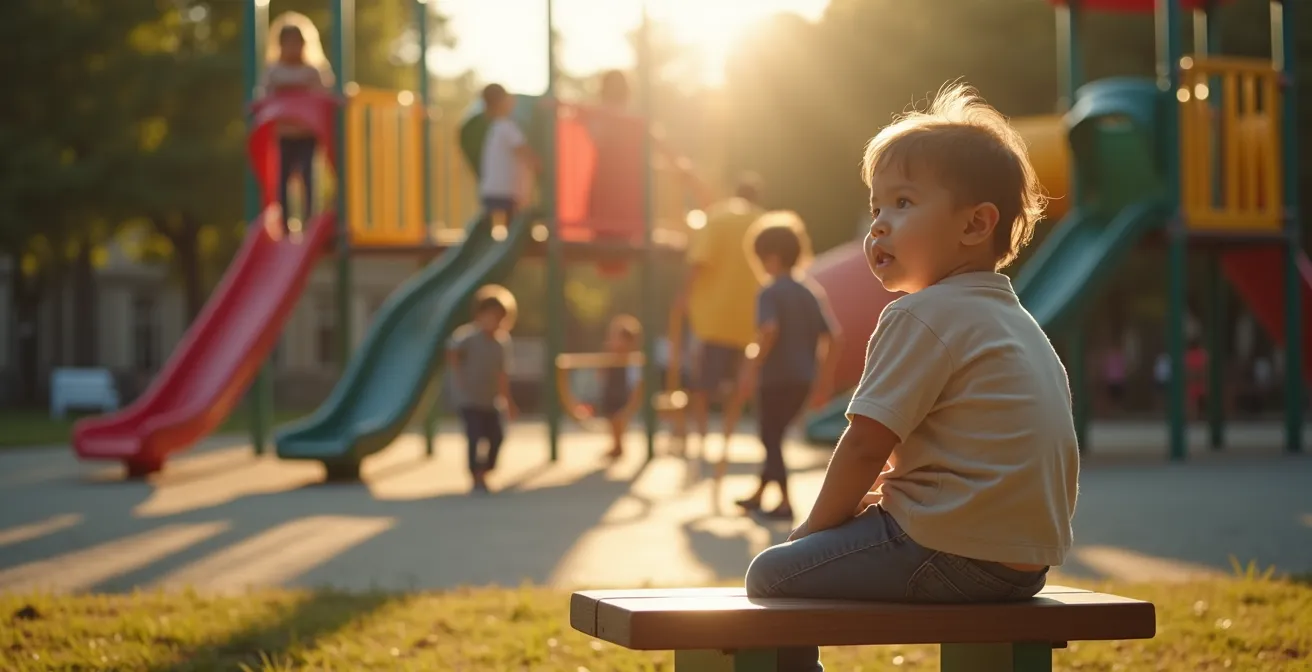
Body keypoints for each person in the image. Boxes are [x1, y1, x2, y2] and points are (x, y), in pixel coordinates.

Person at [742, 83, 1075, 672]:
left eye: (902, 203)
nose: (878, 227)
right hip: (1023, 566)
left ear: (975, 225)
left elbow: (867, 441)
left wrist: (814, 531)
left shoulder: (921, 313)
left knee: (774, 574)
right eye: (875, 208)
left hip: (951, 549)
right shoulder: (1016, 320)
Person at [731, 213, 841, 520]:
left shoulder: (769, 291)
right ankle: (760, 493)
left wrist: (751, 367)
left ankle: (784, 503)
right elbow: (834, 337)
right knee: (775, 435)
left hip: (776, 378)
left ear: (771, 257)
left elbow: (768, 330)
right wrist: (824, 382)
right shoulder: (809, 291)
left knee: (770, 436)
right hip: (803, 378)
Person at [674, 174, 767, 454]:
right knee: (739, 383)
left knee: (702, 384)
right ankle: (728, 434)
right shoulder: (765, 222)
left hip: (712, 320)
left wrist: (684, 297)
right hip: (751, 320)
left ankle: (700, 436)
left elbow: (699, 262)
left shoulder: (718, 217)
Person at [259, 13, 335, 238]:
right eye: (288, 43)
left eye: (297, 43)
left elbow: (325, 94)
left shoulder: (312, 71)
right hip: (284, 135)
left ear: (305, 45)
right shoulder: (274, 71)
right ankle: (284, 224)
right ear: (279, 45)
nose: (293, 48)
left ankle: (310, 221)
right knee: (282, 180)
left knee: (307, 176)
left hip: (307, 134)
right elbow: (264, 96)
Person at [447, 286, 519, 493]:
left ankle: (486, 470)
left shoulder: (501, 343)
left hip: (490, 400)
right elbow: (452, 350)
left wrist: (508, 402)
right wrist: (459, 378)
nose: (493, 322)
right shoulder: (468, 337)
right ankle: (475, 475)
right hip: (469, 399)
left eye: (498, 318)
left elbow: (502, 375)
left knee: (497, 436)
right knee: (475, 435)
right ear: (479, 316)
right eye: (489, 316)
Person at [576, 314, 644, 460]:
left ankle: (619, 445)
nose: (614, 341)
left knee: (619, 419)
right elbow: (601, 374)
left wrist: (632, 403)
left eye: (617, 338)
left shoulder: (632, 359)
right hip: (610, 393)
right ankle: (616, 445)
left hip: (622, 394)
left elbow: (636, 383)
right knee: (611, 419)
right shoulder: (609, 357)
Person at [478, 84, 538, 225]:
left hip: (491, 190)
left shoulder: (495, 127)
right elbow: (521, 149)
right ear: (502, 102)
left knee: (494, 228)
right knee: (512, 227)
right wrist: (538, 164)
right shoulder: (507, 127)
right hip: (506, 191)